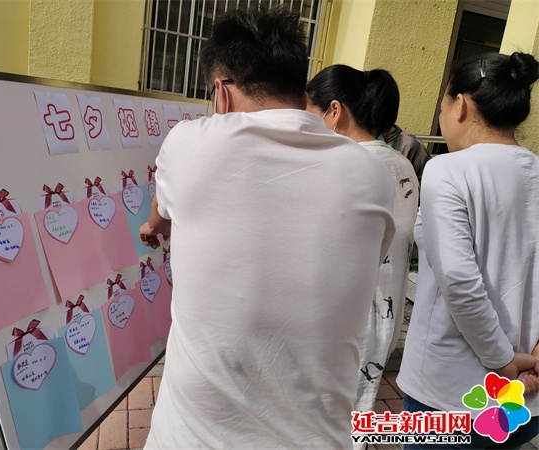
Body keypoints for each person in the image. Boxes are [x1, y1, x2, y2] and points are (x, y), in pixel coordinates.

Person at [139, 7, 395, 448]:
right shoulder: (371, 173)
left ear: (220, 93)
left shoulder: (188, 143)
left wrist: (151, 226)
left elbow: (160, 214)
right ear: (302, 93)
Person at [397, 51, 539, 449]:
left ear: (459, 105)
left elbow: (459, 279)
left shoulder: (447, 169)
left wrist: (501, 359)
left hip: (452, 394)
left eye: (442, 103)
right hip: (527, 398)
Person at [305, 65, 419, 417]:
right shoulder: (403, 164)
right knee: (355, 415)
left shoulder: (339, 164)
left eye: (310, 113)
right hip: (384, 319)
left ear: (334, 111)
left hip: (339, 320)